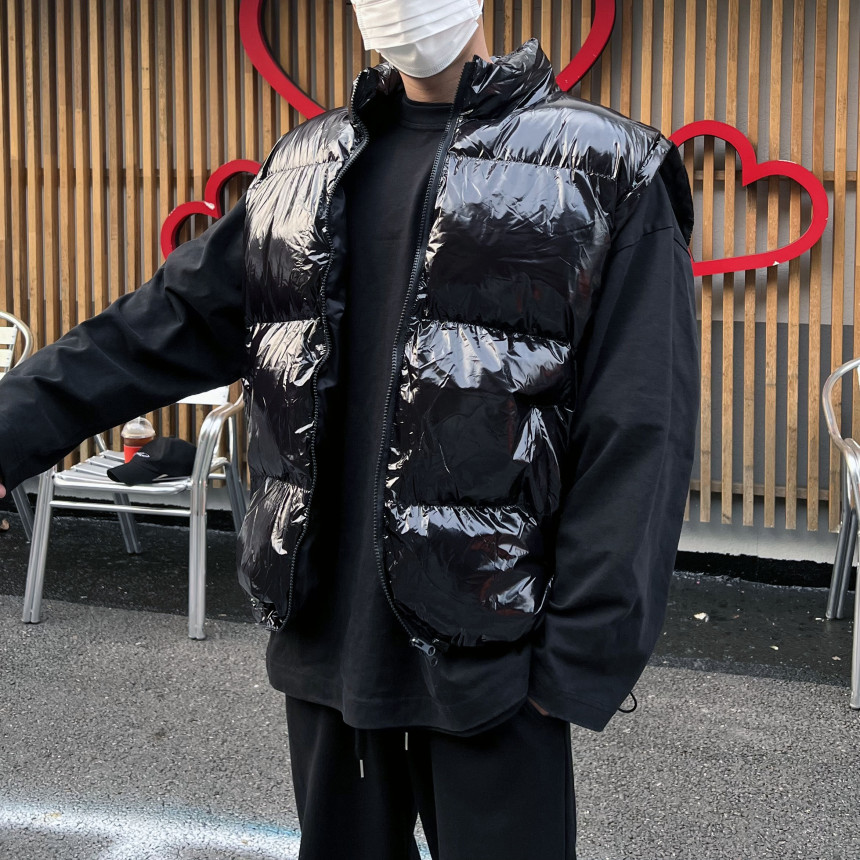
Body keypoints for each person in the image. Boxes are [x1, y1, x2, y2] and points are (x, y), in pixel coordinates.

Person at [0, 1, 699, 857]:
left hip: (494, 658)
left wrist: (576, 660)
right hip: (327, 640)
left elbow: (641, 428)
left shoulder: (606, 167)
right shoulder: (305, 168)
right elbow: (156, 327)